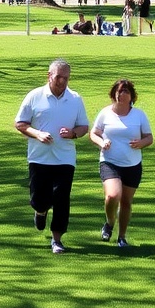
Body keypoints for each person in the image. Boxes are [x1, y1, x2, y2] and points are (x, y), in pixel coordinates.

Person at [14, 59, 90, 254]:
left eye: (66, 78)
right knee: (40, 199)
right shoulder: (34, 96)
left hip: (65, 158)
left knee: (62, 197)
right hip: (39, 158)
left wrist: (73, 133)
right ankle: (40, 211)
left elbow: (84, 127)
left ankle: (57, 239)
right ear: (49, 76)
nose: (62, 82)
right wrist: (37, 134)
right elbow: (20, 124)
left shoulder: (75, 99)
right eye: (58, 77)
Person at [88, 79, 154, 248]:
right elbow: (93, 133)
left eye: (125, 91)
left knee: (125, 203)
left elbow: (149, 137)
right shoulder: (105, 113)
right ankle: (110, 223)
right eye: (118, 91)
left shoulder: (139, 115)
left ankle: (122, 237)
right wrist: (102, 143)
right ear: (113, 94)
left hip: (132, 165)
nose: (121, 94)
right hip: (110, 162)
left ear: (131, 96)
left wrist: (141, 143)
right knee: (112, 196)